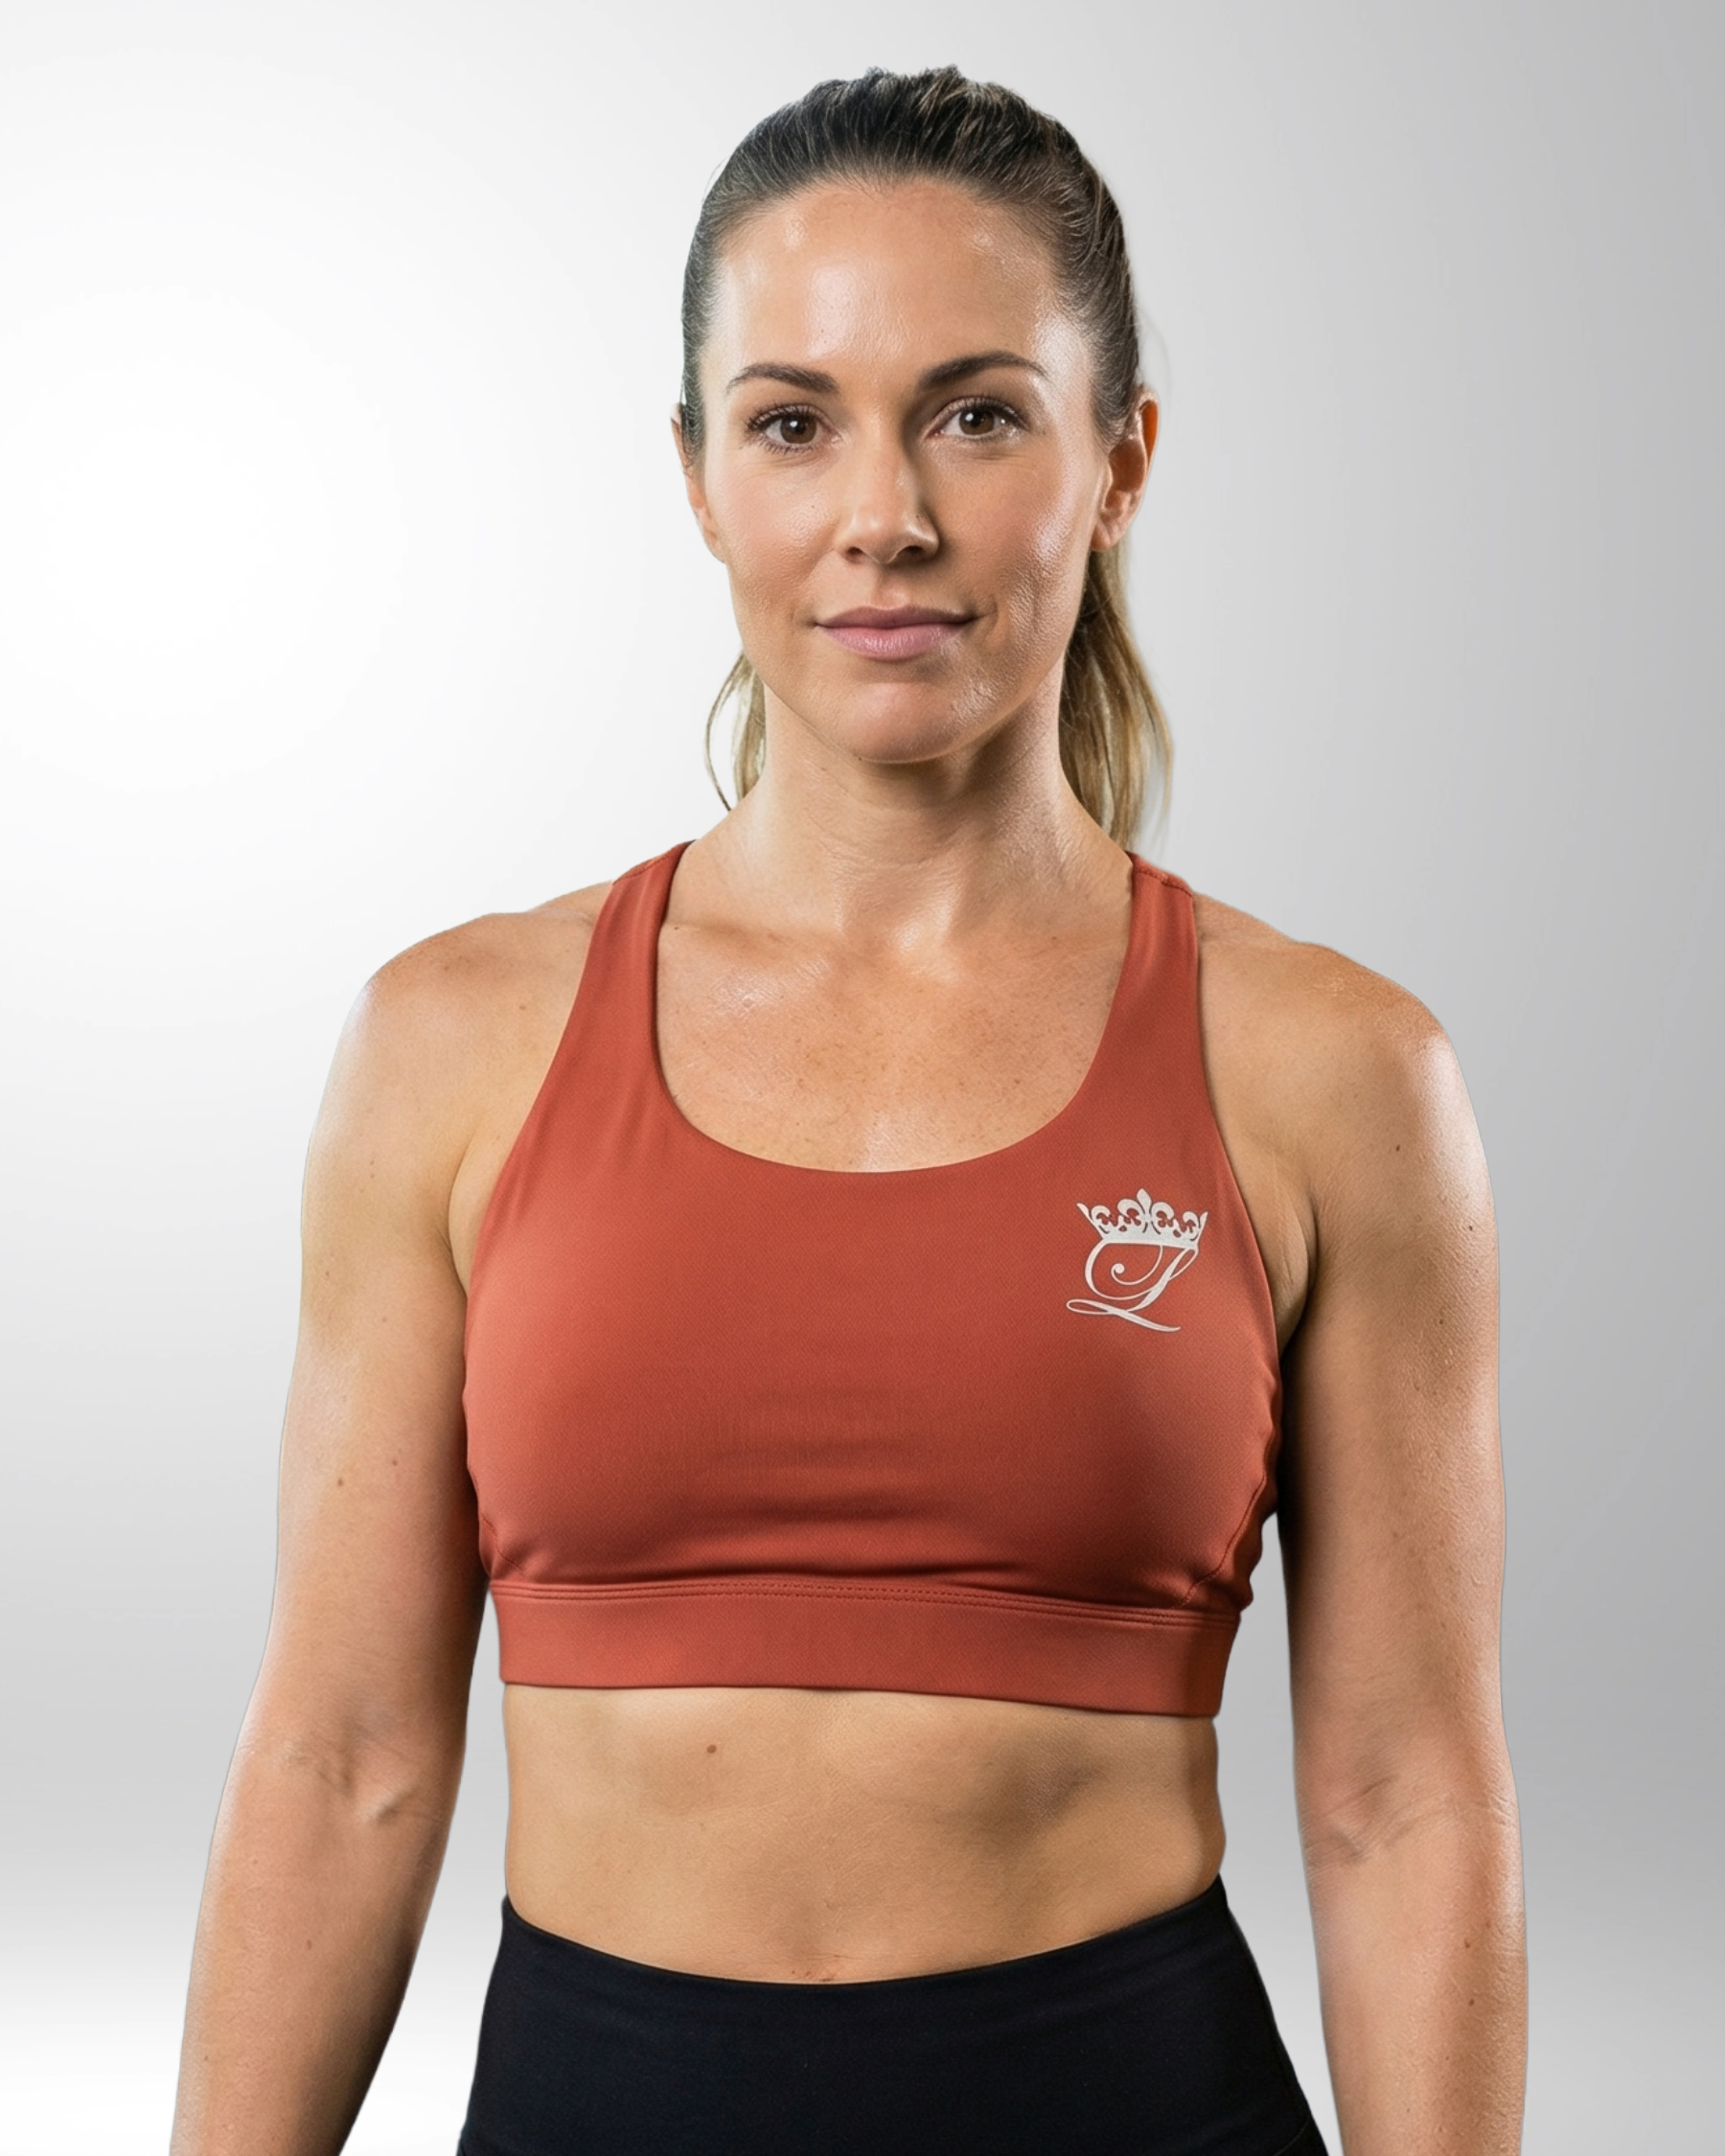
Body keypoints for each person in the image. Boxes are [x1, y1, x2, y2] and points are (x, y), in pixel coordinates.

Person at [171, 66, 1526, 2156]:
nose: (883, 513)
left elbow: (1403, 1797)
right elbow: (340, 1757)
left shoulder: (1335, 1074)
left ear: (1121, 458)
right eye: (794, 423)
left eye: (977, 414)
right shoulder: (453, 1047)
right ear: (700, 478)